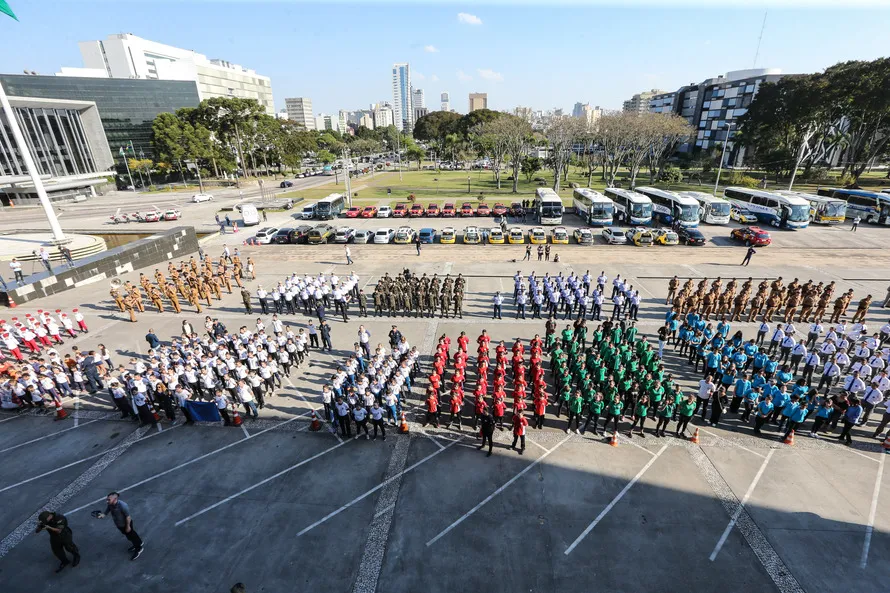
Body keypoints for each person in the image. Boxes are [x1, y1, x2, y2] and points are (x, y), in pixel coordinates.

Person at [94, 492, 144, 560]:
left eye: (109, 499)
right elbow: (106, 512)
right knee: (131, 535)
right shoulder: (110, 504)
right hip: (119, 525)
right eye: (107, 499)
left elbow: (128, 517)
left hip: (126, 524)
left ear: (115, 499)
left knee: (131, 536)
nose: (107, 501)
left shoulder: (123, 505)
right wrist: (100, 516)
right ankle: (140, 542)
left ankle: (139, 549)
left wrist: (128, 526)